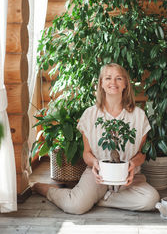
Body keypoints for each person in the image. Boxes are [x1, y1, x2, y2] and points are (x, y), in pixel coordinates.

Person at [32, 63, 160, 214]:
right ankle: (49, 191)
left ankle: (96, 200)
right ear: (101, 83)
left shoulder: (138, 116)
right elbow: (87, 153)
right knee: (75, 207)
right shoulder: (90, 115)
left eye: (119, 78)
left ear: (125, 83)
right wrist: (95, 164)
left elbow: (141, 154)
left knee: (151, 199)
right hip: (97, 176)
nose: (113, 83)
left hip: (127, 178)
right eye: (108, 78)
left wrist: (132, 164)